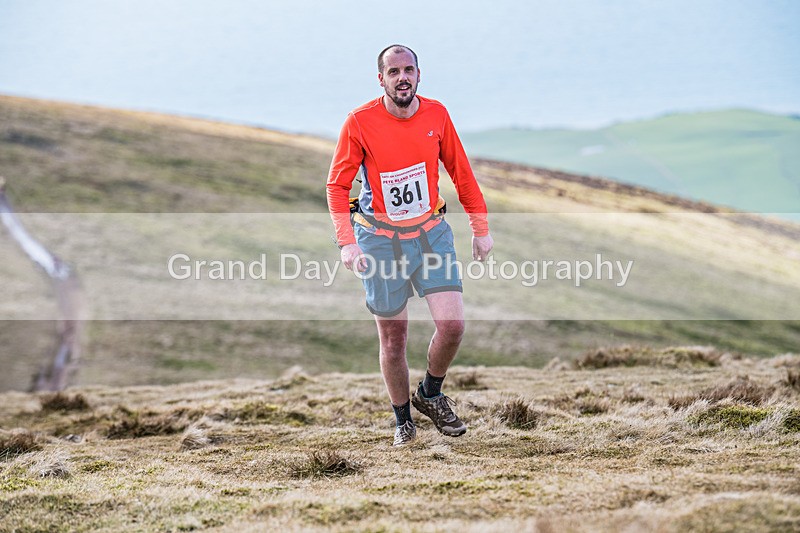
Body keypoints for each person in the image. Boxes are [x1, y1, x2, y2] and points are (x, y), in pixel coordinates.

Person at [326, 44, 494, 447]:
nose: (402, 77)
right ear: (380, 78)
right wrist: (347, 244)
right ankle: (403, 420)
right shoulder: (359, 122)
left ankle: (430, 395)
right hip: (380, 241)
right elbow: (337, 185)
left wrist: (480, 227)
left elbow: (462, 173)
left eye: (409, 70)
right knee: (394, 339)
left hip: (431, 232)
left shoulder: (437, 114)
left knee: (452, 325)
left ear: (419, 75)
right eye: (393, 71)